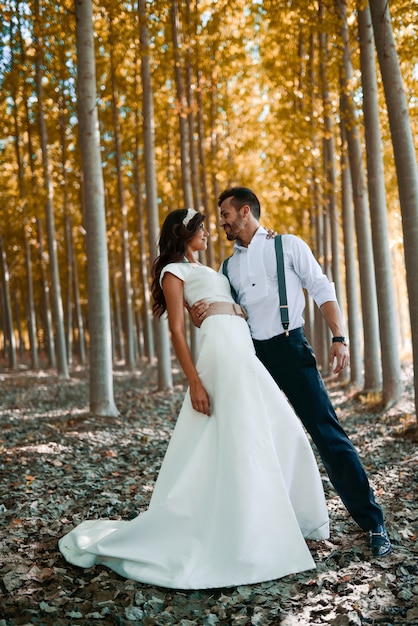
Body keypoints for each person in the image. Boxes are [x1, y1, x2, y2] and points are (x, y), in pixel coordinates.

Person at [58, 208, 330, 590]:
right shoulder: (174, 271)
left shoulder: (213, 269)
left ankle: (285, 518)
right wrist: (194, 383)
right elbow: (175, 330)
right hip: (219, 350)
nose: (208, 232)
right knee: (243, 435)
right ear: (183, 233)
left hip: (241, 343)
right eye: (201, 227)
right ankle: (252, 534)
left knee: (282, 429)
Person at [191, 187, 392, 558]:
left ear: (245, 211)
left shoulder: (288, 245)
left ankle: (373, 522)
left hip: (290, 347)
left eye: (225, 214)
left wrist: (339, 337)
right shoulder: (227, 266)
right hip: (251, 357)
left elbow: (321, 287)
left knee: (327, 433)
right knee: (255, 440)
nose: (220, 221)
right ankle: (269, 528)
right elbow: (234, 311)